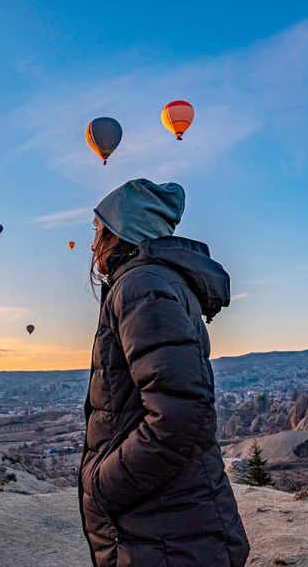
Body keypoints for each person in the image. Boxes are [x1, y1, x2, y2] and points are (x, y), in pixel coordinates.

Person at [78, 179, 250, 566]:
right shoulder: (156, 282)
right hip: (170, 522)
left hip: (163, 529)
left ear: (121, 231)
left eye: (98, 230)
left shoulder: (142, 285)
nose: (92, 244)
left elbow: (181, 416)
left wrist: (102, 485)